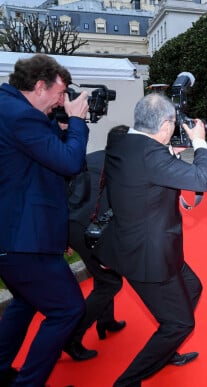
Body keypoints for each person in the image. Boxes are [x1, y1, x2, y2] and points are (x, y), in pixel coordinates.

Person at [96, 93, 207, 386]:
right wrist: (199, 141)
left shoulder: (123, 142)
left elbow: (146, 173)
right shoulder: (150, 155)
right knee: (180, 323)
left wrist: (170, 156)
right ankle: (127, 382)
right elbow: (203, 180)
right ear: (164, 125)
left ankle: (166, 349)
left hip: (137, 242)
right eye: (173, 125)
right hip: (149, 255)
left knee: (192, 286)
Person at [0, 54, 89, 386]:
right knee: (67, 309)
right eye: (60, 92)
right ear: (40, 86)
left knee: (25, 302)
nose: (62, 100)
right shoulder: (19, 116)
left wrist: (61, 126)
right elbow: (68, 163)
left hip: (19, 236)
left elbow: (37, 159)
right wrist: (77, 122)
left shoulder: (12, 110)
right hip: (22, 240)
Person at [63, 125, 129, 362]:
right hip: (90, 230)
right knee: (110, 282)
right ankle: (71, 338)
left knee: (106, 275)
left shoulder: (90, 158)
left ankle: (106, 321)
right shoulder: (122, 166)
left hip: (72, 227)